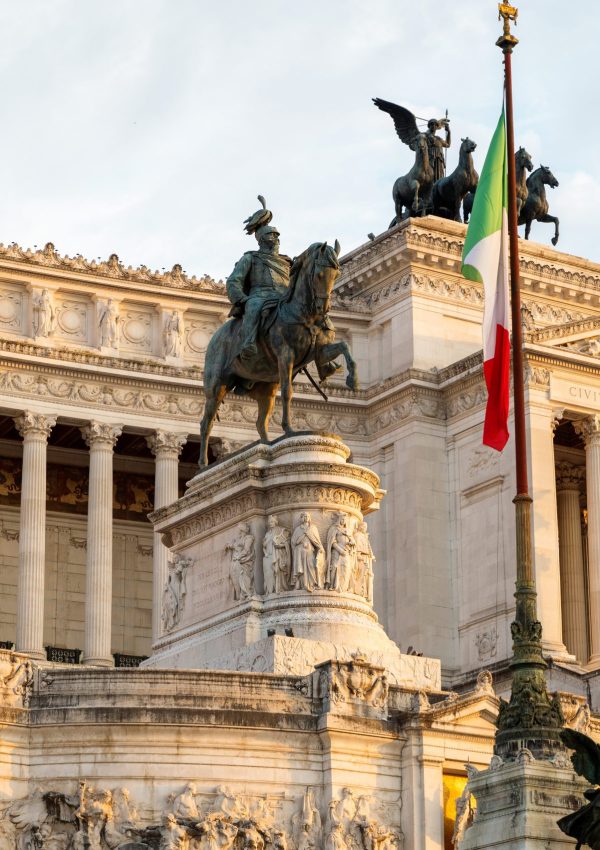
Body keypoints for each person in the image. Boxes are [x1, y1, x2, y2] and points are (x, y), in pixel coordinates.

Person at [226, 197, 291, 359]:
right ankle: (248, 342)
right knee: (254, 306)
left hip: (283, 299)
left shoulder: (287, 262)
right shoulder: (251, 258)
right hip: (259, 296)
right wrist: (242, 299)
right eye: (272, 236)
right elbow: (234, 280)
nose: (276, 240)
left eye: (277, 236)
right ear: (262, 239)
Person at [262, 515, 291, 594]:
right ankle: (270, 590)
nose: (270, 523)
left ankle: (279, 588)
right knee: (269, 574)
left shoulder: (280, 530)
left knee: (277, 571)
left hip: (278, 554)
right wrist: (265, 553)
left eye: (272, 522)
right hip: (268, 556)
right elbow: (263, 546)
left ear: (276, 522)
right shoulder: (267, 534)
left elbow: (287, 541)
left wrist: (281, 546)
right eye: (269, 522)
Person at [425, 117, 451, 183]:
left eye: (435, 125)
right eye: (431, 125)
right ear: (429, 126)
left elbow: (447, 144)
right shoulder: (426, 136)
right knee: (430, 176)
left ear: (437, 127)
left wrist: (449, 132)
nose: (433, 126)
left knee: (440, 176)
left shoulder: (438, 139)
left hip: (439, 160)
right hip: (430, 159)